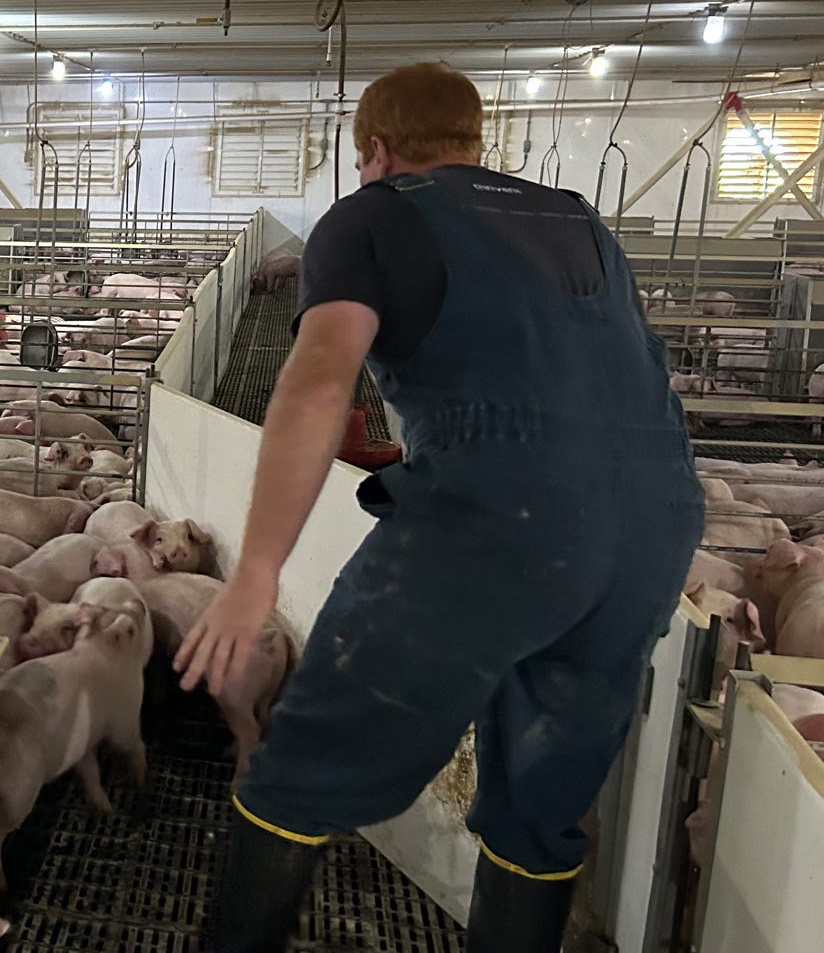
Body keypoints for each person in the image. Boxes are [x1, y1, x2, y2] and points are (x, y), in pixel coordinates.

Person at [174, 62, 702, 953]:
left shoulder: (373, 214)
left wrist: (255, 571)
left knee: (301, 764)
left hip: (498, 515)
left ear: (372, 150)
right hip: (655, 522)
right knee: (544, 793)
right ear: (474, 137)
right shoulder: (576, 218)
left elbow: (314, 384)